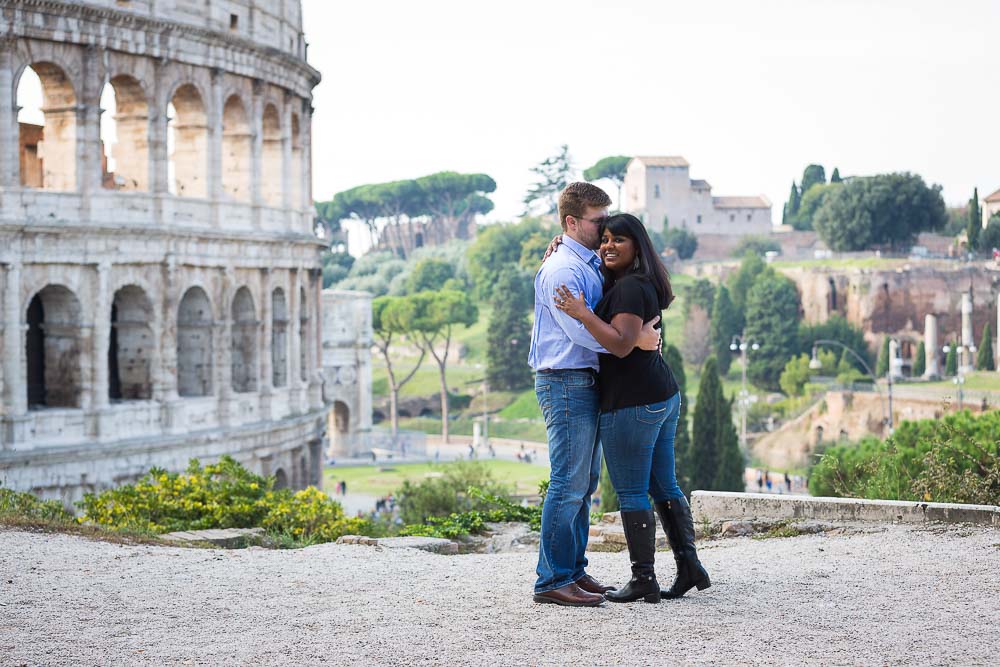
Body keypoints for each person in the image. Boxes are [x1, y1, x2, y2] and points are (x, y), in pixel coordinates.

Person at [554, 212, 711, 604]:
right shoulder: (636, 283)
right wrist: (558, 246)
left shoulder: (628, 290)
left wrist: (582, 313)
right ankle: (689, 566)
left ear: (636, 246)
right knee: (664, 485)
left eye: (618, 240)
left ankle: (644, 579)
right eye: (604, 238)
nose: (607, 245)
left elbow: (622, 344)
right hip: (661, 395)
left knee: (631, 492)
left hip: (633, 403)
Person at [528, 183, 662, 608]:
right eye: (598, 221)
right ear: (572, 223)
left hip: (581, 380)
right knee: (568, 484)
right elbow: (579, 332)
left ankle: (572, 571)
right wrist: (633, 341)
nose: (606, 228)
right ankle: (551, 579)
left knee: (583, 485)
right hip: (565, 379)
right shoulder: (562, 271)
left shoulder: (584, 261)